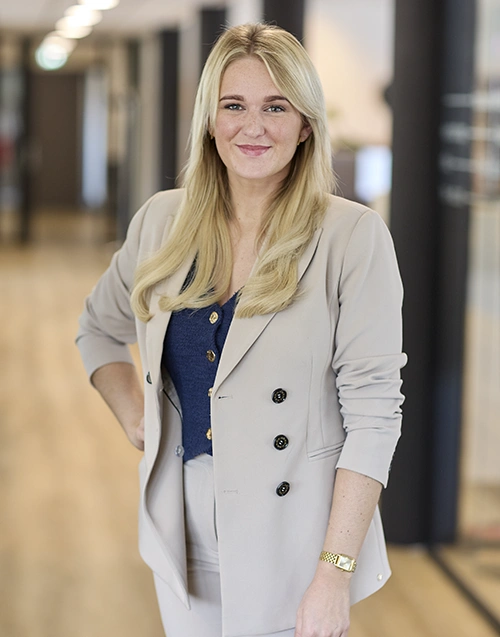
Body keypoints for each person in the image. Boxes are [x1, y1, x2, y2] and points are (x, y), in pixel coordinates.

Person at [76, 22, 406, 637]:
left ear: (305, 124)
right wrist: (135, 417)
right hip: (181, 533)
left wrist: (334, 573)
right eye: (234, 106)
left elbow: (374, 416)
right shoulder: (161, 222)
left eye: (275, 107)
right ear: (209, 120)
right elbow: (97, 328)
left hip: (296, 544)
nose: (253, 127)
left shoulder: (352, 238)